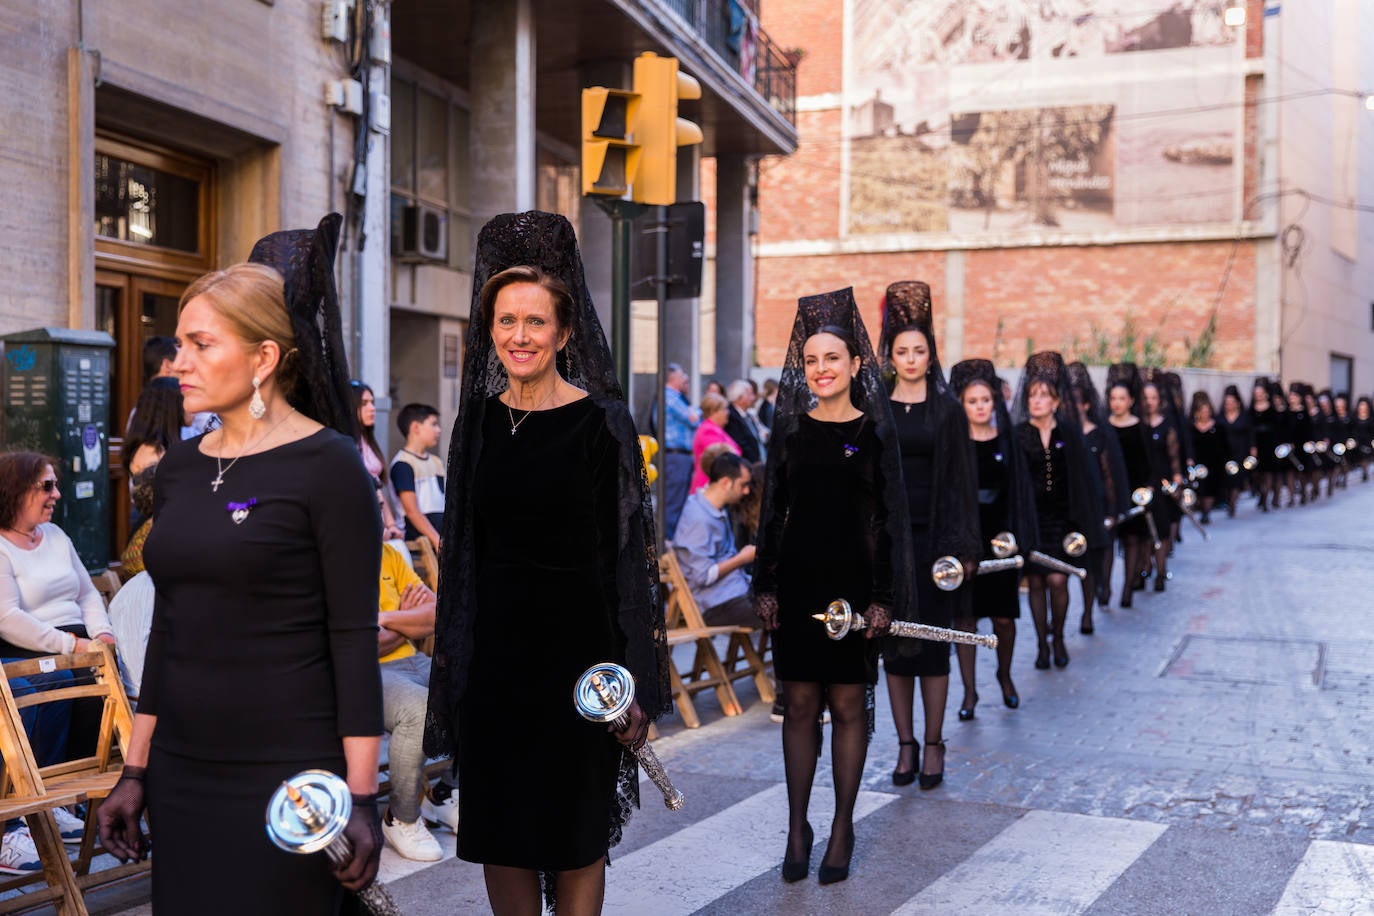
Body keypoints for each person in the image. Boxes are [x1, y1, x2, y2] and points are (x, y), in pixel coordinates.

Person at [98, 214, 385, 911]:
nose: (179, 363)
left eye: (201, 345)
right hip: (182, 769)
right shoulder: (179, 468)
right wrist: (135, 771)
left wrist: (361, 798)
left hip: (290, 773)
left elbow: (352, 643)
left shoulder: (330, 466)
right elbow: (168, 629)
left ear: (263, 359)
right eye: (180, 344)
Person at [423, 212, 668, 914]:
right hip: (496, 668)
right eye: (506, 321)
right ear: (489, 330)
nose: (520, 336)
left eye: (536, 321)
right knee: (503, 837)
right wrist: (456, 670)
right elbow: (461, 560)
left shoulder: (602, 423)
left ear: (564, 333)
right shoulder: (476, 424)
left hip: (581, 668)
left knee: (575, 836)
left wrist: (631, 681)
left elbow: (630, 565)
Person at [752, 286, 911, 886]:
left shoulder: (875, 433)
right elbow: (772, 514)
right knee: (798, 704)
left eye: (832, 359)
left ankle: (842, 827)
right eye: (812, 359)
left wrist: (884, 599)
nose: (821, 369)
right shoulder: (790, 430)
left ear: (855, 364)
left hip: (853, 589)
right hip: (798, 584)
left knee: (847, 705)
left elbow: (889, 521)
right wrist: (766, 585)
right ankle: (797, 828)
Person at [877, 281, 976, 782]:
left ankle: (934, 744)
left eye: (919, 351)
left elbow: (962, 481)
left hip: (936, 546)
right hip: (891, 546)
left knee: (934, 646)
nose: (911, 359)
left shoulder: (949, 409)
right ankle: (906, 745)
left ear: (931, 354)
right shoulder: (877, 407)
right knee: (896, 647)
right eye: (903, 351)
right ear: (890, 355)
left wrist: (962, 550)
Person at [0, 451, 118, 864]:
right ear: (16, 491)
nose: (56, 494)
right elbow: (7, 618)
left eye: (56, 485)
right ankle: (21, 815)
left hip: (79, 641)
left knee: (102, 682)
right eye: (47, 486)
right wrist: (73, 646)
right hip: (31, 647)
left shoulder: (56, 536)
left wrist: (102, 633)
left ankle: (58, 802)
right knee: (53, 684)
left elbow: (87, 593)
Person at [949, 360, 1037, 714]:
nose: (980, 407)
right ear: (962, 404)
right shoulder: (954, 443)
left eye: (985, 400)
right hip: (965, 540)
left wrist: (1018, 539)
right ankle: (969, 692)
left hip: (1001, 541)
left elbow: (1019, 491)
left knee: (1003, 617)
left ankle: (1004, 674)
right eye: (972, 401)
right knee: (966, 620)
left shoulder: (1007, 440)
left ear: (995, 401)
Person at [373, 541, 458, 861]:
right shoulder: (328, 561)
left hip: (415, 661)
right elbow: (358, 641)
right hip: (367, 671)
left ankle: (445, 793)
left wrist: (385, 617)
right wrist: (407, 620)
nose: (382, 517)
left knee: (478, 688)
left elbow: (435, 616)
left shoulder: (389, 553)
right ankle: (401, 817)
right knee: (419, 710)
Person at [1015, 352, 1100, 668]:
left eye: (1043, 395)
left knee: (1058, 580)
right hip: (1032, 521)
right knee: (1036, 583)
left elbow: (1082, 478)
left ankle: (1059, 637)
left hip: (1064, 520)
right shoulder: (1019, 434)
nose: (1037, 401)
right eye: (1032, 395)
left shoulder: (1069, 432)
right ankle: (1041, 644)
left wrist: (1083, 522)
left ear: (1055, 401)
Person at [1067, 362, 1126, 632]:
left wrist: (1111, 511)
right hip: (1069, 507)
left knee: (1092, 560)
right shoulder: (1062, 434)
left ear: (1087, 405)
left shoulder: (1099, 435)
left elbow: (1108, 475)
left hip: (1096, 505)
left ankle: (1088, 611)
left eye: (1077, 402)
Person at [673, 452, 756, 627]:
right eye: (743, 485)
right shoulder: (698, 518)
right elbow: (702, 576)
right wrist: (742, 558)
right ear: (725, 482)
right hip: (718, 604)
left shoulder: (714, 509)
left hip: (734, 593)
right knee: (780, 609)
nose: (746, 491)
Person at [120, 377, 185, 561]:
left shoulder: (156, 447)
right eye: (185, 398)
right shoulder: (151, 453)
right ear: (172, 406)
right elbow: (155, 502)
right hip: (152, 530)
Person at [1107, 380, 1154, 608]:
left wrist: (1148, 489)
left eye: (1122, 398)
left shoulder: (1140, 427)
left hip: (1135, 491)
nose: (1117, 403)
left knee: (1132, 539)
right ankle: (1104, 586)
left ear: (1131, 401)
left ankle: (1127, 588)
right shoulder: (1104, 427)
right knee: (1108, 539)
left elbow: (1149, 461)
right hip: (1111, 491)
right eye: (1113, 398)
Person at [351, 381, 407, 555]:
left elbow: (378, 489)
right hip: (361, 527)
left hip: (381, 526)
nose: (372, 408)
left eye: (372, 402)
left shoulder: (368, 441)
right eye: (364, 403)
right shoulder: (346, 445)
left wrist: (391, 525)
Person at [1142, 381, 1183, 589]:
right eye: (1145, 398)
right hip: (1143, 484)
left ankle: (1161, 571)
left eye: (1153, 398)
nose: (1149, 402)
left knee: (1162, 530)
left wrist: (1177, 480)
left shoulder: (1167, 425)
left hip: (1163, 484)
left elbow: (1173, 456)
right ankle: (1145, 566)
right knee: (1144, 531)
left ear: (1159, 400)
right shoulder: (1138, 424)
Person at [390, 403, 445, 551]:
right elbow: (412, 511)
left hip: (440, 542)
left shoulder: (436, 462)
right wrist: (436, 539)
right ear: (416, 427)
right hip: (419, 546)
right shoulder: (402, 464)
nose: (438, 430)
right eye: (433, 424)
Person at [660, 363, 700, 540]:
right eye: (682, 375)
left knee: (678, 499)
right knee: (674, 500)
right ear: (673, 378)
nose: (685, 379)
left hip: (679, 456)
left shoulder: (676, 397)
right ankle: (669, 540)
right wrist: (696, 412)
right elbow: (692, 419)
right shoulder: (670, 397)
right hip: (676, 455)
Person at [1216, 385, 1255, 517]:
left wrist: (1252, 448)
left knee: (1238, 479)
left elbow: (1250, 433)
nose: (1229, 405)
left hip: (1241, 451)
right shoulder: (1220, 417)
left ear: (1237, 403)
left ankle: (1232, 503)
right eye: (1227, 403)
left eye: (1232, 402)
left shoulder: (1244, 417)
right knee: (1227, 479)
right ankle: (1228, 500)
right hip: (1225, 452)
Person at [1189, 392, 1228, 524]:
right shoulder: (1191, 428)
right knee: (1200, 488)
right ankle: (1203, 510)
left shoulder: (1218, 426)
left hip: (1214, 462)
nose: (1205, 414)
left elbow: (1224, 444)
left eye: (1207, 411)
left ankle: (1206, 512)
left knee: (1211, 488)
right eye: (1202, 411)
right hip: (1198, 462)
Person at [691, 393, 741, 493]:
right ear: (714, 412)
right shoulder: (708, 431)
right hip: (708, 485)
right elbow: (721, 457)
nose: (728, 412)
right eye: (724, 409)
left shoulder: (715, 429)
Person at [724, 380, 764, 463]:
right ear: (739, 398)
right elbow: (740, 443)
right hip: (746, 463)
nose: (753, 398)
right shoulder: (731, 416)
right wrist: (755, 461)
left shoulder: (747, 414)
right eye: (749, 394)